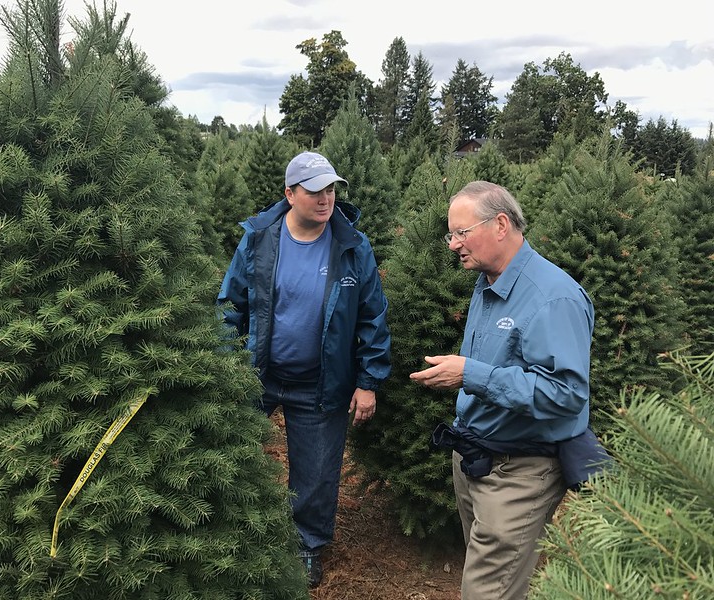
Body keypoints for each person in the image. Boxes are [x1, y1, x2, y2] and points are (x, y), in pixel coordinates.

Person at [410, 181, 595, 600]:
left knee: (487, 592)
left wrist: (469, 375)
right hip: (475, 458)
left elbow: (566, 394)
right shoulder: (488, 280)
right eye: (450, 234)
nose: (454, 244)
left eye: (462, 232)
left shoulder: (553, 298)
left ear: (500, 224)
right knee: (502, 585)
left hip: (520, 470)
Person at [217, 151, 391, 588]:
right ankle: (228, 529)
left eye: (331, 189)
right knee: (230, 453)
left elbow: (373, 316)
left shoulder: (352, 246)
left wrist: (368, 381)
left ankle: (307, 546)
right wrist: (225, 367)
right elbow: (231, 305)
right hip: (258, 374)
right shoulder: (259, 239)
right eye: (314, 191)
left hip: (321, 381)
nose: (325, 199)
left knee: (316, 472)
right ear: (290, 194)